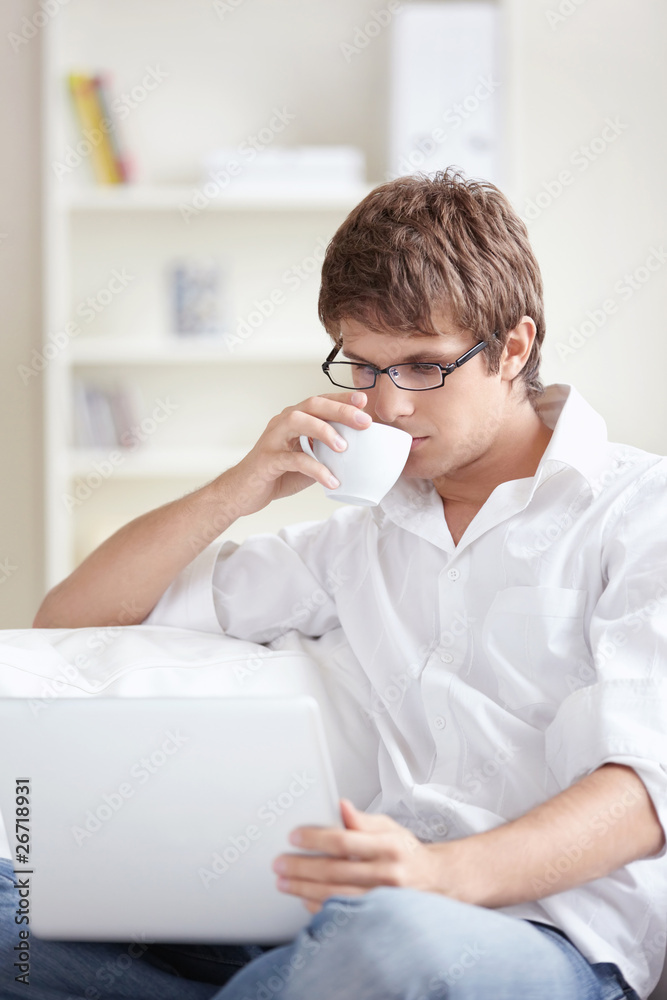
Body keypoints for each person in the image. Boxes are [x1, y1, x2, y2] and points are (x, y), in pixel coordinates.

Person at [4, 170, 666, 999]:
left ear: (514, 349)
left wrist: (435, 874)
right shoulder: (361, 537)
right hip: (336, 927)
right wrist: (242, 485)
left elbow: (646, 792)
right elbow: (72, 620)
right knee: (11, 911)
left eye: (422, 367)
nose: (384, 405)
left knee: (391, 943)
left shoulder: (639, 514)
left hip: (539, 940)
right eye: (362, 365)